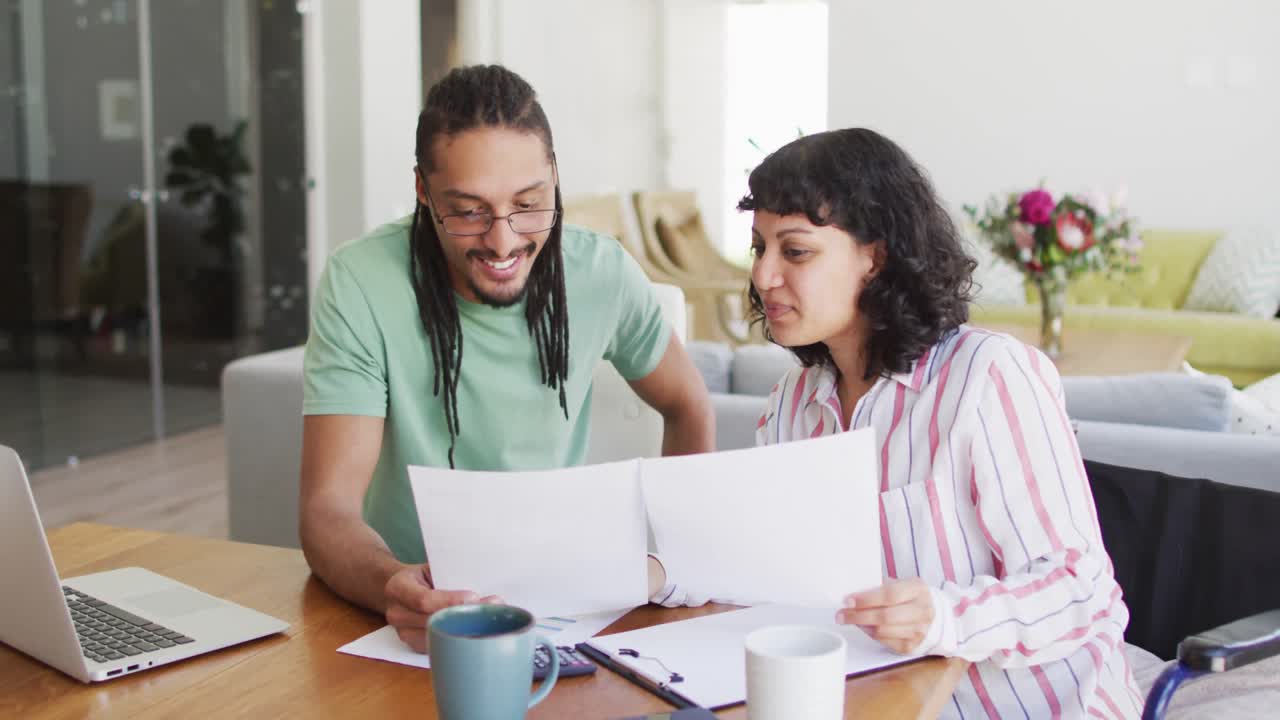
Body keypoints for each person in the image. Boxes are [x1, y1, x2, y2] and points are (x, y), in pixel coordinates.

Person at [654, 128, 1141, 718]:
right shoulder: (790, 404)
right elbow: (761, 561)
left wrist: (944, 617)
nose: (763, 275)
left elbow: (1080, 588)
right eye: (759, 248)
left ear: (876, 259)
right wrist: (658, 573)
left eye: (796, 251)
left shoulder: (986, 376)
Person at [299, 65, 714, 652]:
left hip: (564, 604)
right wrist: (392, 583)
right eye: (469, 211)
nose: (503, 241)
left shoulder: (601, 272)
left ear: (554, 179)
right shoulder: (361, 281)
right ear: (423, 191)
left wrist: (676, 560)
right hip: (405, 612)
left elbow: (689, 405)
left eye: (528, 203)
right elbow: (327, 507)